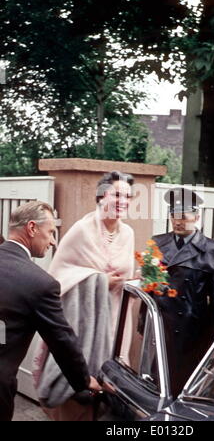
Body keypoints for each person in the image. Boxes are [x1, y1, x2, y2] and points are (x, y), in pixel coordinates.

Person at [34, 171, 135, 421]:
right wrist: (99, 281)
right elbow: (57, 278)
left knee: (107, 391)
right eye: (117, 195)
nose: (123, 201)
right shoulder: (82, 230)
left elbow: (127, 278)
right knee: (77, 392)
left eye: (128, 196)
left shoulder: (128, 234)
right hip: (81, 321)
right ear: (102, 196)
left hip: (114, 321)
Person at [0, 201, 101, 422]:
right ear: (32, 228)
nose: (53, 241)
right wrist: (84, 380)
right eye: (51, 232)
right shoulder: (40, 283)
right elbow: (62, 340)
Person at [152, 187, 214, 396]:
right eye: (174, 216)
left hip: (192, 332)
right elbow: (149, 286)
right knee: (157, 385)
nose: (178, 221)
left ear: (196, 216)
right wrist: (145, 322)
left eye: (183, 216)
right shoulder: (158, 243)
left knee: (183, 389)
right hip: (162, 328)